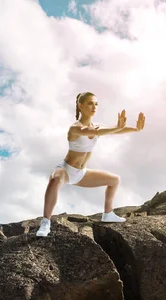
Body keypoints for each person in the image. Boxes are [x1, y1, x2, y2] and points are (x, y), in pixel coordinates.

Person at [36, 92, 146, 237]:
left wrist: (135, 129)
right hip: (66, 170)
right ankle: (45, 222)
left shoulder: (97, 126)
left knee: (114, 180)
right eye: (90, 103)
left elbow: (111, 131)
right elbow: (94, 131)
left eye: (96, 104)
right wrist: (117, 127)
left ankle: (108, 214)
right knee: (55, 179)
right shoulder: (75, 128)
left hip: (81, 174)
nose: (94, 106)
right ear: (80, 106)